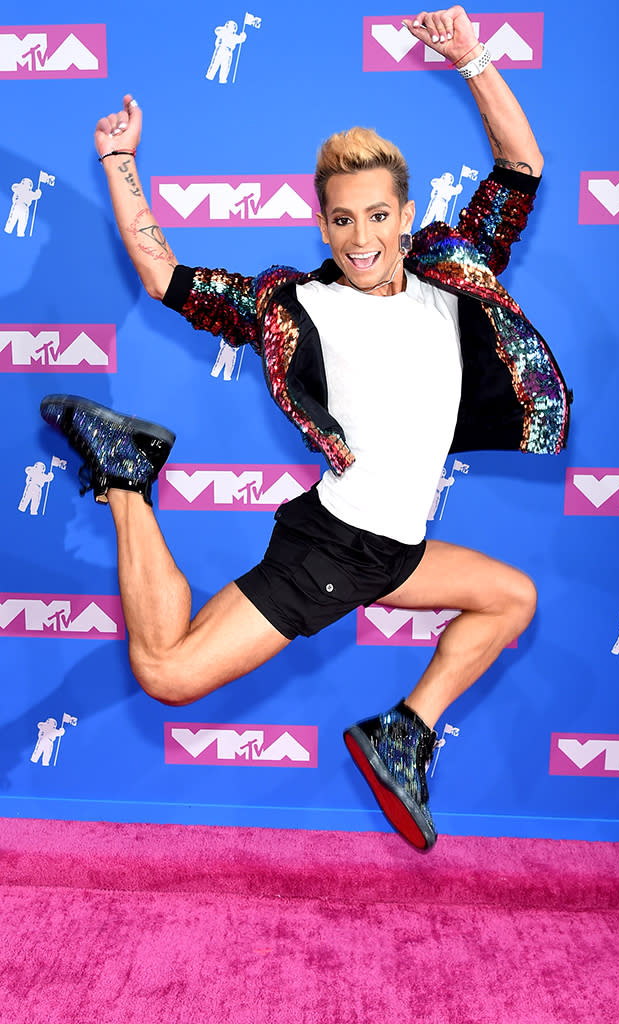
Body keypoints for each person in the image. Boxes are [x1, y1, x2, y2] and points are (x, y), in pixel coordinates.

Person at [41, 6, 570, 851]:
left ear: (404, 216)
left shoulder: (452, 276)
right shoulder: (297, 307)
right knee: (166, 672)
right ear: (322, 224)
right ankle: (126, 478)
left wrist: (473, 57)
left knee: (509, 598)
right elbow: (162, 274)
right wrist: (118, 160)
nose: (360, 238)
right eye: (341, 219)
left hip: (394, 549)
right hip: (336, 550)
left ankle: (402, 730)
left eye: (375, 216)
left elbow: (520, 164)